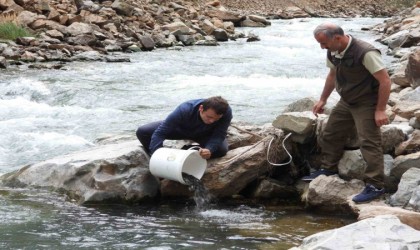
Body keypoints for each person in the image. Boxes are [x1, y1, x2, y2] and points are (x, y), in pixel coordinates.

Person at [301, 23, 391, 203]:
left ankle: (375, 185)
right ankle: (329, 168)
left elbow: (385, 81)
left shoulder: (365, 52)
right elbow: (332, 76)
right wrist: (323, 100)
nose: (322, 47)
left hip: (367, 102)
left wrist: (380, 109)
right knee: (331, 132)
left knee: (369, 142)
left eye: (324, 43)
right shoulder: (332, 51)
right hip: (347, 100)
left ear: (337, 38)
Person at [136, 96, 232, 160]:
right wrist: (159, 156)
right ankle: (153, 155)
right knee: (143, 131)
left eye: (216, 119)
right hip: (180, 130)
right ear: (201, 108)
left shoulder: (226, 112)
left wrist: (209, 149)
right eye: (209, 117)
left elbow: (219, 135)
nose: (212, 121)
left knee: (221, 150)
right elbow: (161, 132)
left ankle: (187, 151)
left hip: (205, 133)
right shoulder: (185, 109)